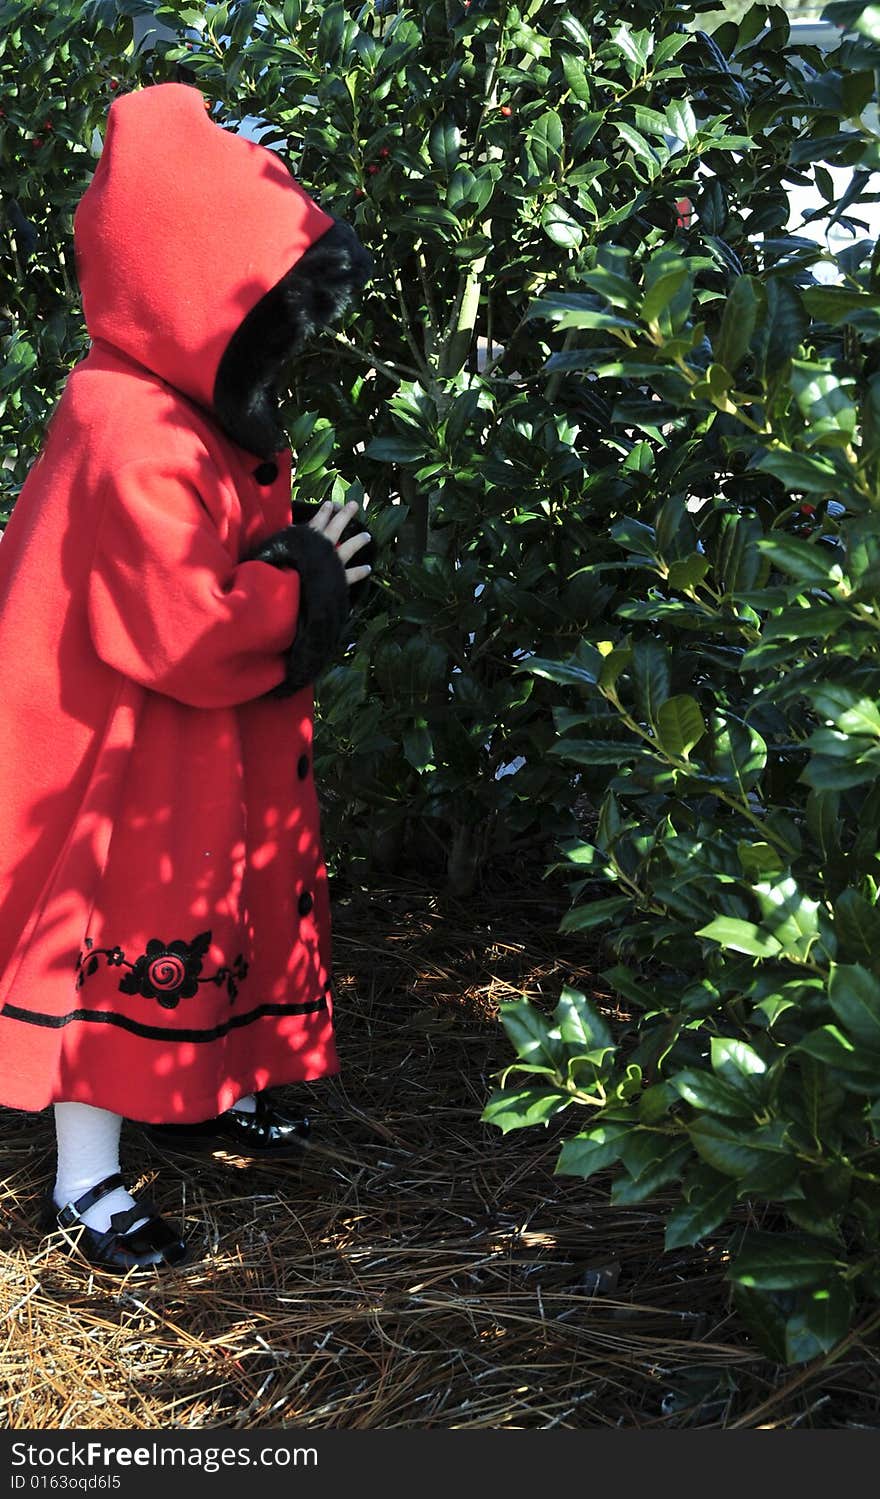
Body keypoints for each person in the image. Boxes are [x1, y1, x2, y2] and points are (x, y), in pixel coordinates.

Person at [0, 81, 375, 1273]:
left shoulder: (175, 412)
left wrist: (286, 562)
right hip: (120, 758)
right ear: (189, 288)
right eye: (264, 310)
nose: (284, 336)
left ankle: (231, 1078)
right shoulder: (132, 426)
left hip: (181, 743)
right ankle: (86, 1185)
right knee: (112, 942)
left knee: (214, 909)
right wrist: (309, 576)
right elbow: (180, 624)